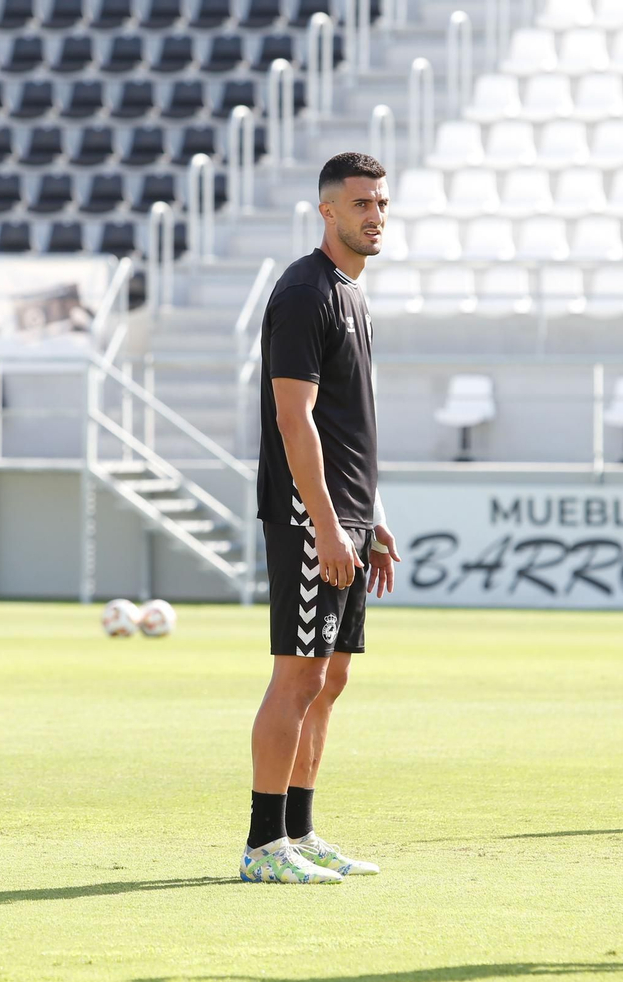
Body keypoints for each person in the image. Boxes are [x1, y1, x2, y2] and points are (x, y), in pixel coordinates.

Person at [241, 152, 401, 885]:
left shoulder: (353, 295)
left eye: (382, 203)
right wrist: (330, 523)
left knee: (330, 677)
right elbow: (293, 418)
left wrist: (373, 516)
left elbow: (347, 424)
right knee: (297, 675)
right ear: (327, 211)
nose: (375, 214)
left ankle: (300, 830)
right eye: (362, 202)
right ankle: (262, 844)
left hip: (348, 515)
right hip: (313, 518)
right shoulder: (305, 291)